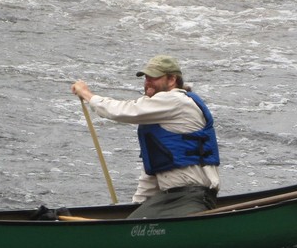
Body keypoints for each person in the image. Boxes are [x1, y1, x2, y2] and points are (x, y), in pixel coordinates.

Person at [71, 55, 220, 219]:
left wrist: (87, 95)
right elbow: (154, 168)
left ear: (171, 79)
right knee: (132, 221)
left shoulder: (176, 100)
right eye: (146, 77)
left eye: (154, 77)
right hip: (171, 196)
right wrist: (136, 207)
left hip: (191, 196)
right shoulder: (157, 114)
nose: (148, 82)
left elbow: (122, 110)